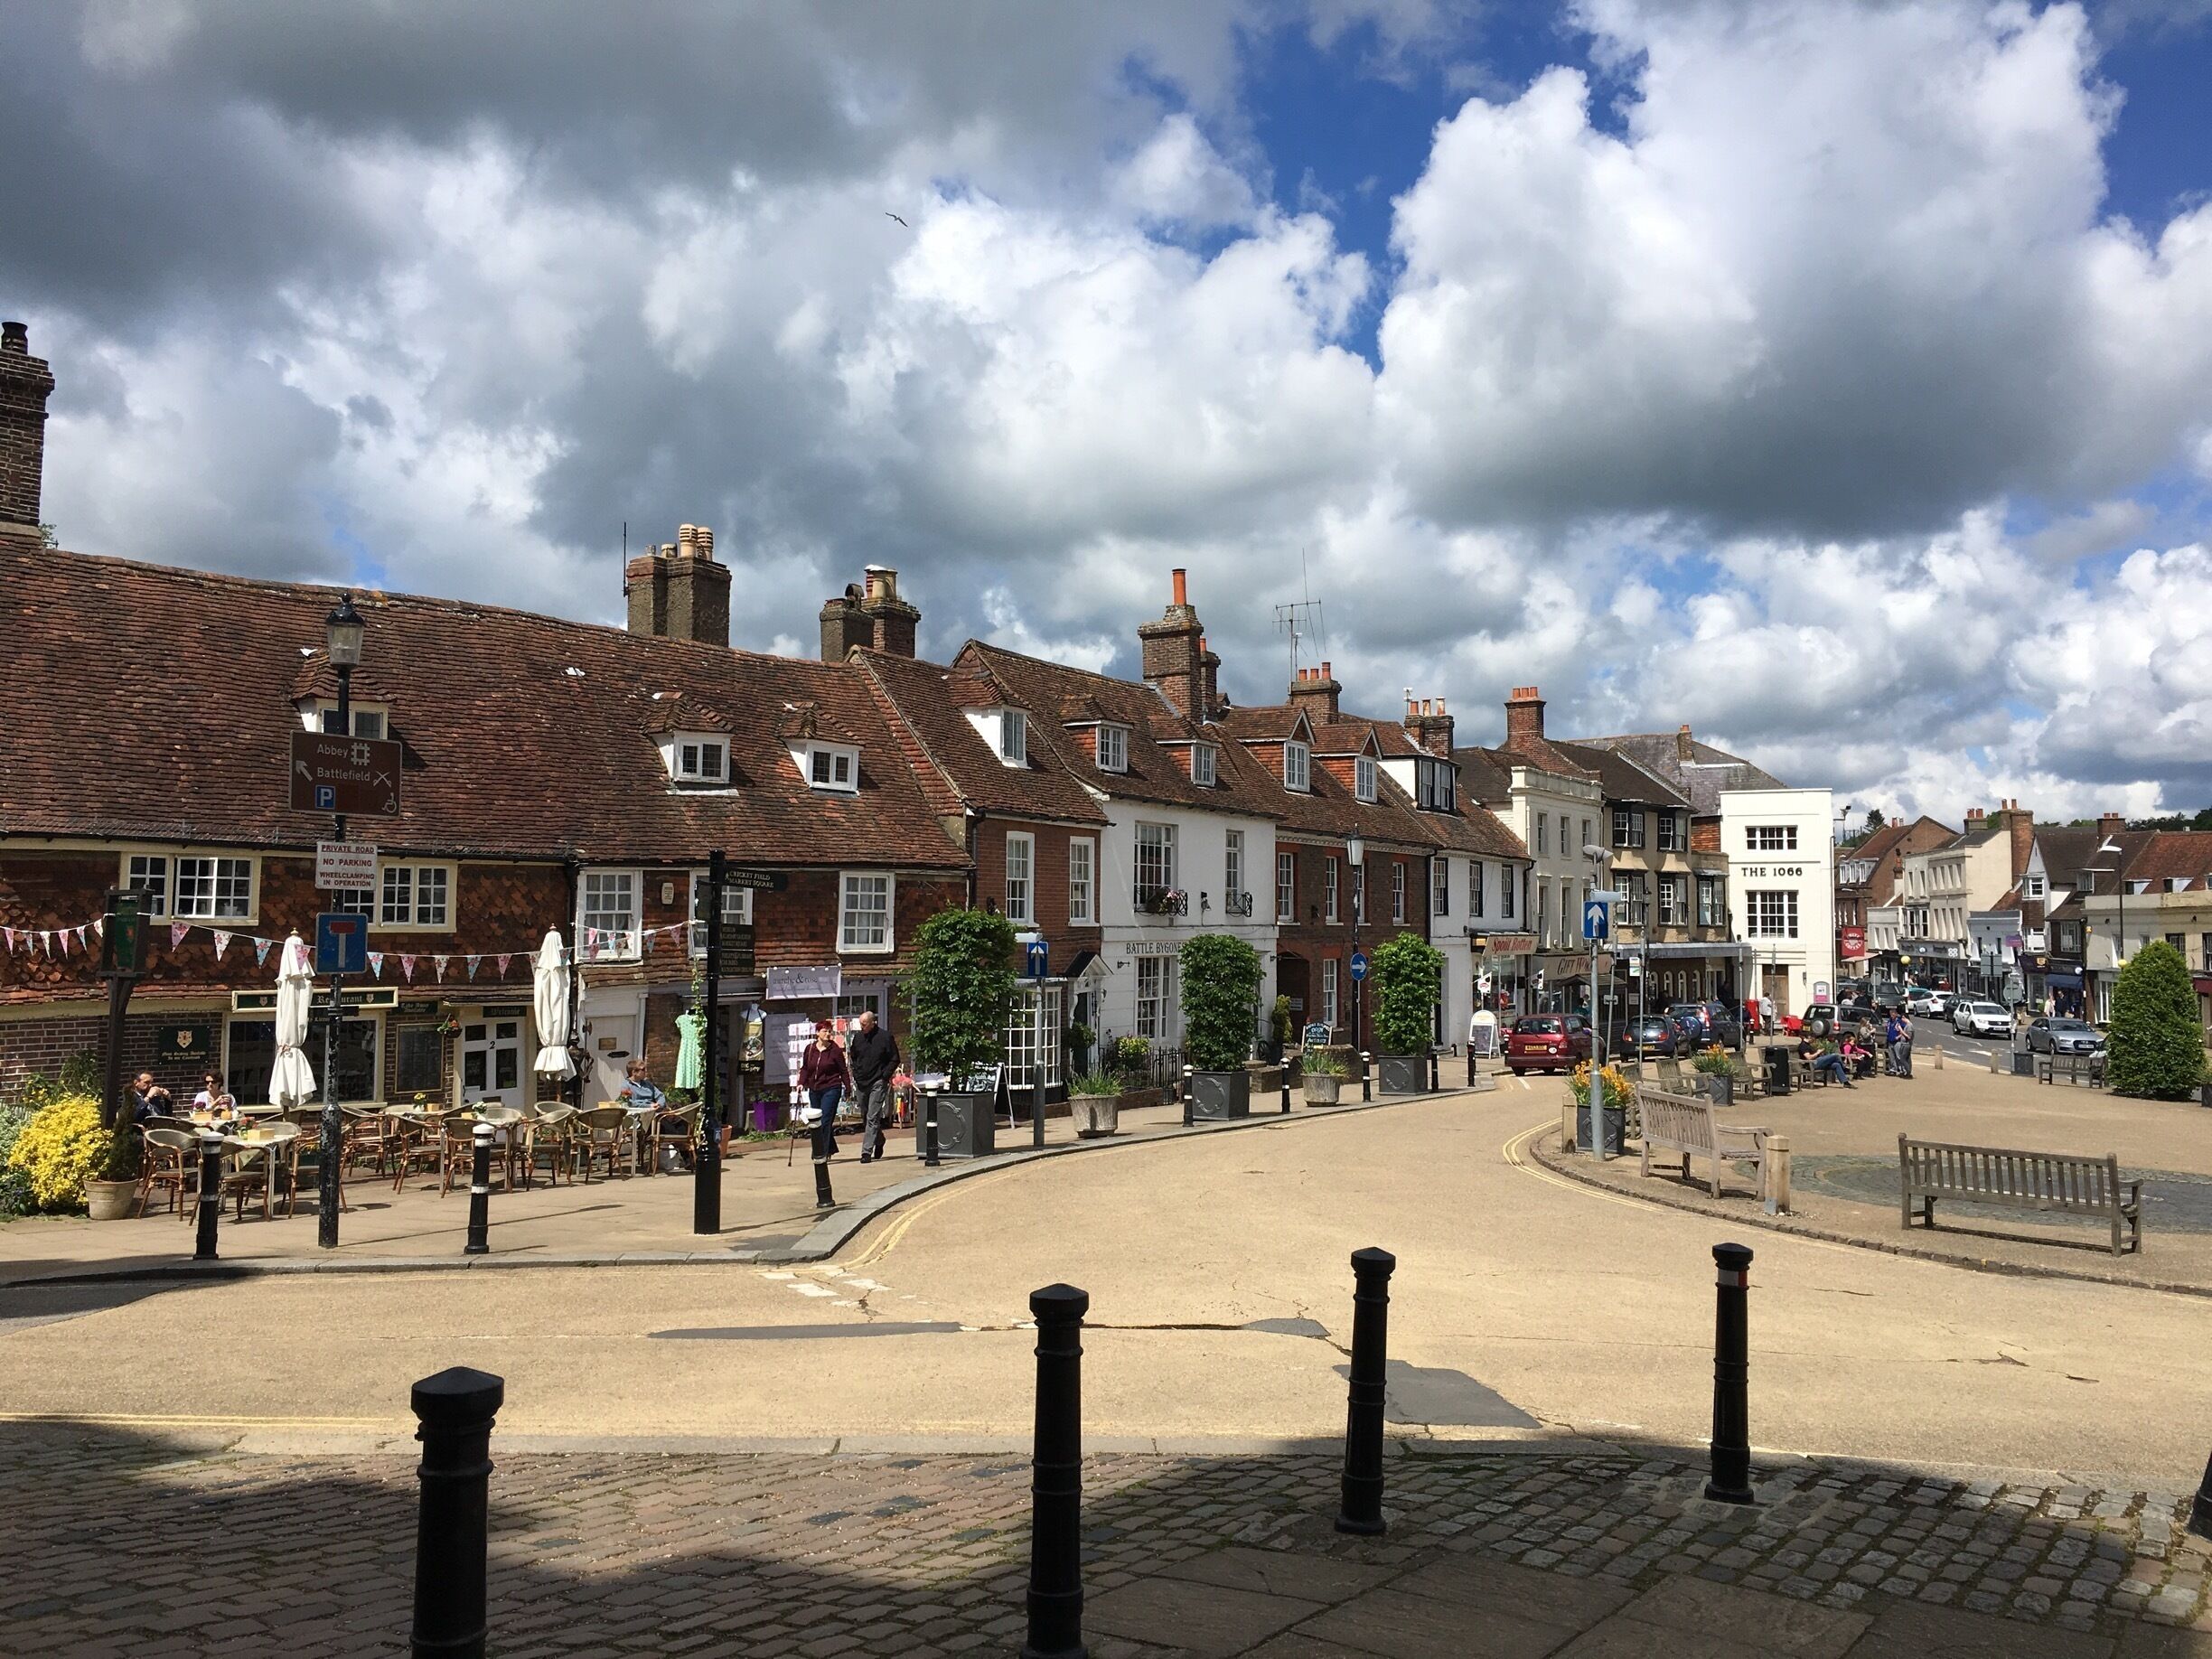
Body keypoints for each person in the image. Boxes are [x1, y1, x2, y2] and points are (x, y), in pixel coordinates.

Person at [795, 1019, 853, 1173]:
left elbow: (843, 1071)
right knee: (817, 1122)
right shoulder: (810, 1049)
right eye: (825, 1031)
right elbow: (806, 1068)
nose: (828, 1034)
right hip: (815, 1089)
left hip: (831, 1088)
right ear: (817, 1033)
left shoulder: (835, 1050)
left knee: (826, 1120)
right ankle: (830, 1147)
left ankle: (821, 1152)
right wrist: (801, 1082)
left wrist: (848, 1089)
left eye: (830, 1031)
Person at [845, 1008, 900, 1164]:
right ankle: (879, 1140)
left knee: (873, 1116)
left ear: (872, 1022)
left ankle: (866, 1152)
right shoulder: (858, 1038)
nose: (862, 1027)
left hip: (878, 1081)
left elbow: (894, 1058)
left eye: (864, 1024)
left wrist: (884, 1076)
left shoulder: (885, 1037)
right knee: (865, 1115)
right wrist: (856, 1073)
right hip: (862, 1081)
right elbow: (853, 1056)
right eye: (860, 1024)